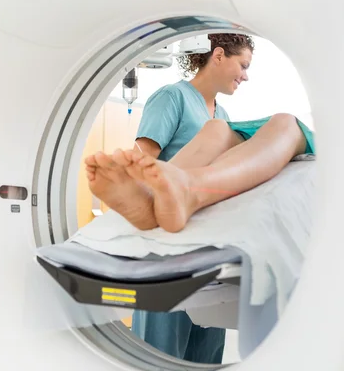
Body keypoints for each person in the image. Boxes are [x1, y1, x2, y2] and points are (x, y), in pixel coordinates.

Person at [85, 33, 256, 364]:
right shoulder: (173, 98)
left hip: (208, 247)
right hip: (167, 245)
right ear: (218, 55)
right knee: (161, 352)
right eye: (243, 65)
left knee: (205, 351)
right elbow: (141, 163)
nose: (245, 75)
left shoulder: (223, 116)